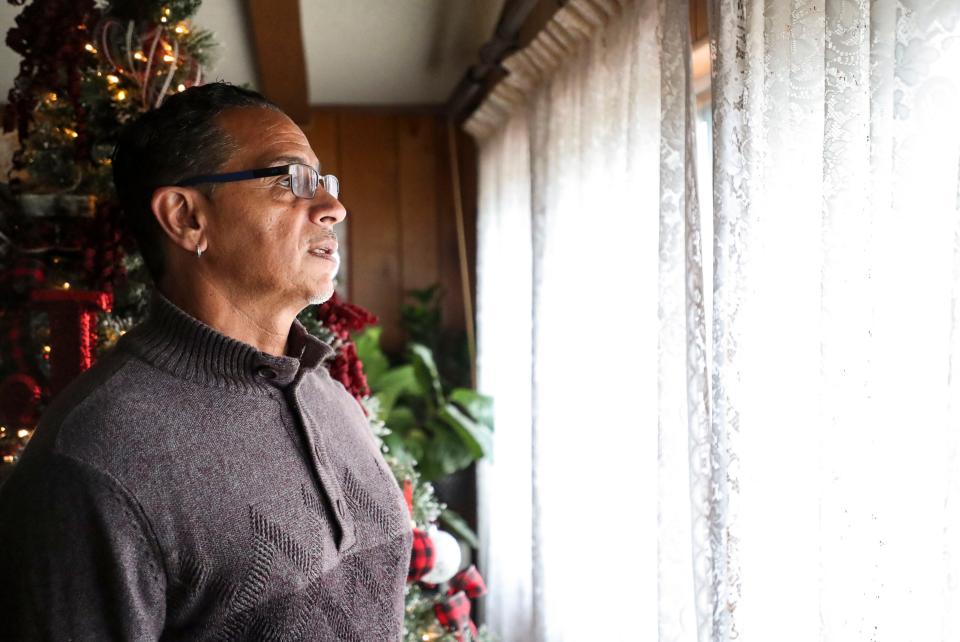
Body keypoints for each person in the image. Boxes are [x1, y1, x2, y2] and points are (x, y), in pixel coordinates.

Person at [0, 82, 413, 640]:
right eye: (290, 181)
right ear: (186, 217)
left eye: (323, 182)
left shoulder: (330, 395)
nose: (333, 207)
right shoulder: (92, 461)